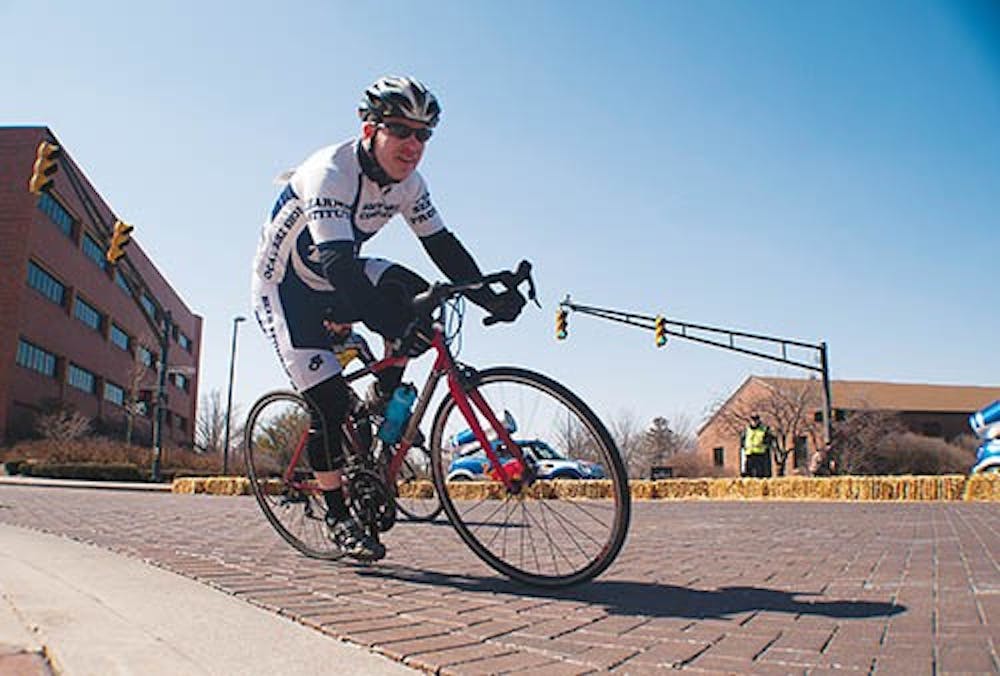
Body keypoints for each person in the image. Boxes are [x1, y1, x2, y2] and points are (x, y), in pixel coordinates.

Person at [251, 76, 526, 560]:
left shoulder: (409, 184)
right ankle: (338, 516)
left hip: (338, 276)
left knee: (419, 295)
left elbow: (441, 245)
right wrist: (393, 325)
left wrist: (488, 298)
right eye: (401, 130)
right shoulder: (329, 173)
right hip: (287, 291)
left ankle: (382, 392)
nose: (413, 144)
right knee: (330, 407)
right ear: (369, 131)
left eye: (424, 134)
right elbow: (337, 264)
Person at [740, 414, 775, 478]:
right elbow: (742, 443)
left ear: (758, 420)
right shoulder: (746, 430)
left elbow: (770, 440)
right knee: (748, 475)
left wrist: (765, 443)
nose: (754, 422)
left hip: (760, 455)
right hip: (749, 454)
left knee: (760, 475)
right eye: (753, 420)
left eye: (756, 420)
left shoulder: (764, 429)